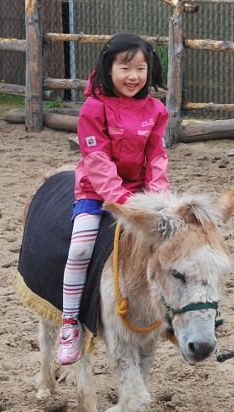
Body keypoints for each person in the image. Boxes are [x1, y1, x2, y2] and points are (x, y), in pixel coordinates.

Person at [58, 33, 170, 365]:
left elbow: (157, 158)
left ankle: (169, 317)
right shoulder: (93, 108)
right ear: (108, 68)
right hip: (96, 193)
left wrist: (157, 199)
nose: (133, 76)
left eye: (140, 68)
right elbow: (96, 160)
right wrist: (121, 199)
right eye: (125, 67)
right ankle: (69, 323)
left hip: (140, 196)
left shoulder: (156, 110)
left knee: (170, 247)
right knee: (79, 247)